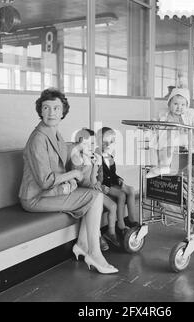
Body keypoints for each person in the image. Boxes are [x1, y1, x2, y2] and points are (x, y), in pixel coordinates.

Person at [18, 88, 118, 274]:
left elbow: (61, 163)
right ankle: (94, 253)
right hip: (35, 197)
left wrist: (81, 155)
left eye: (56, 108)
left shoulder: (54, 133)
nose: (51, 113)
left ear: (63, 111)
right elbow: (45, 181)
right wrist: (73, 176)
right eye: (46, 108)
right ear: (40, 111)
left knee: (94, 195)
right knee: (95, 197)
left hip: (50, 192)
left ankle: (82, 245)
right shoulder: (38, 139)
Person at [69, 128, 120, 249]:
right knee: (96, 208)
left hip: (94, 188)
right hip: (82, 190)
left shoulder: (94, 157)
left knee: (113, 206)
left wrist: (98, 182)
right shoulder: (77, 158)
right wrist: (92, 184)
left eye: (93, 144)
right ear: (80, 144)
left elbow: (98, 176)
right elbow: (79, 179)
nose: (91, 147)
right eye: (87, 144)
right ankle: (98, 236)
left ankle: (111, 233)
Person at [146, 87, 194, 179]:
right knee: (153, 142)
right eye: (176, 104)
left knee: (169, 137)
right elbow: (155, 120)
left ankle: (164, 166)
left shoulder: (191, 113)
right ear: (169, 104)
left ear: (187, 105)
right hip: (165, 139)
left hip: (186, 138)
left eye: (183, 105)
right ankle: (156, 166)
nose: (179, 107)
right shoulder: (164, 113)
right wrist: (153, 124)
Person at [96, 127, 139, 240]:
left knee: (130, 189)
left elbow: (113, 174)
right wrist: (101, 185)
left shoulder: (110, 157)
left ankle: (132, 219)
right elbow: (97, 176)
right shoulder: (97, 156)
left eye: (111, 142)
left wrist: (119, 180)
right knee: (121, 195)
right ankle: (120, 224)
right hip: (104, 185)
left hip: (112, 183)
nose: (108, 145)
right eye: (105, 142)